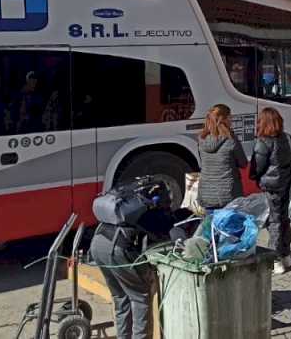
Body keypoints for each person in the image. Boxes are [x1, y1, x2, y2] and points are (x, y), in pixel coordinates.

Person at [90, 180, 182, 339]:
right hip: (116, 249)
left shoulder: (129, 201)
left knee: (121, 298)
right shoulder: (148, 211)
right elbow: (168, 235)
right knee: (141, 297)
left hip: (98, 243)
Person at [250, 107, 291, 275]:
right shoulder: (288, 138)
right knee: (284, 220)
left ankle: (275, 260)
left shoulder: (263, 142)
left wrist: (255, 178)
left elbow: (258, 166)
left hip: (271, 187)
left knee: (274, 222)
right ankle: (286, 256)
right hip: (286, 184)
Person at [196, 104, 248, 211]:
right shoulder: (230, 139)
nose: (231, 120)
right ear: (223, 119)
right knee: (229, 226)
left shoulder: (201, 139)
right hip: (228, 194)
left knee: (212, 226)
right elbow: (243, 163)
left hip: (206, 194)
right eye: (230, 117)